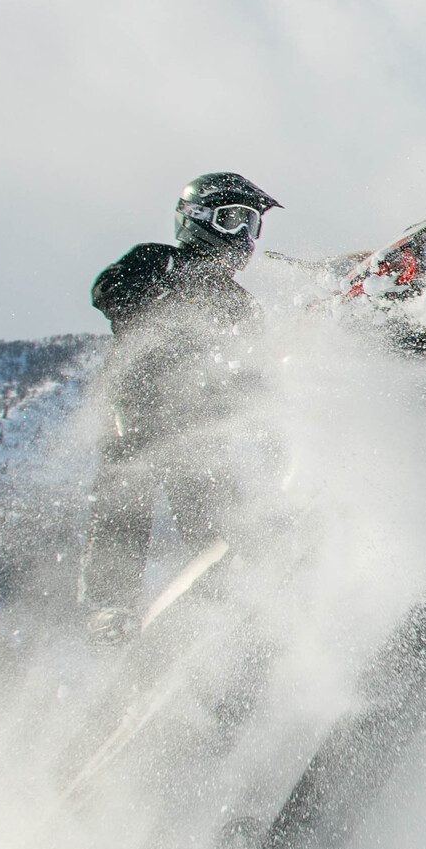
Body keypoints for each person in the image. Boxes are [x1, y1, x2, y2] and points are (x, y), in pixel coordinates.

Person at [79, 172, 280, 643]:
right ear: (198, 219)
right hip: (136, 410)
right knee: (125, 500)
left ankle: (226, 586)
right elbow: (108, 292)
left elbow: (256, 365)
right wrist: (165, 300)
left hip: (196, 422)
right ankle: (110, 606)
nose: (242, 237)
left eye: (251, 226)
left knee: (212, 501)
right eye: (232, 220)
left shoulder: (240, 303)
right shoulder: (159, 261)